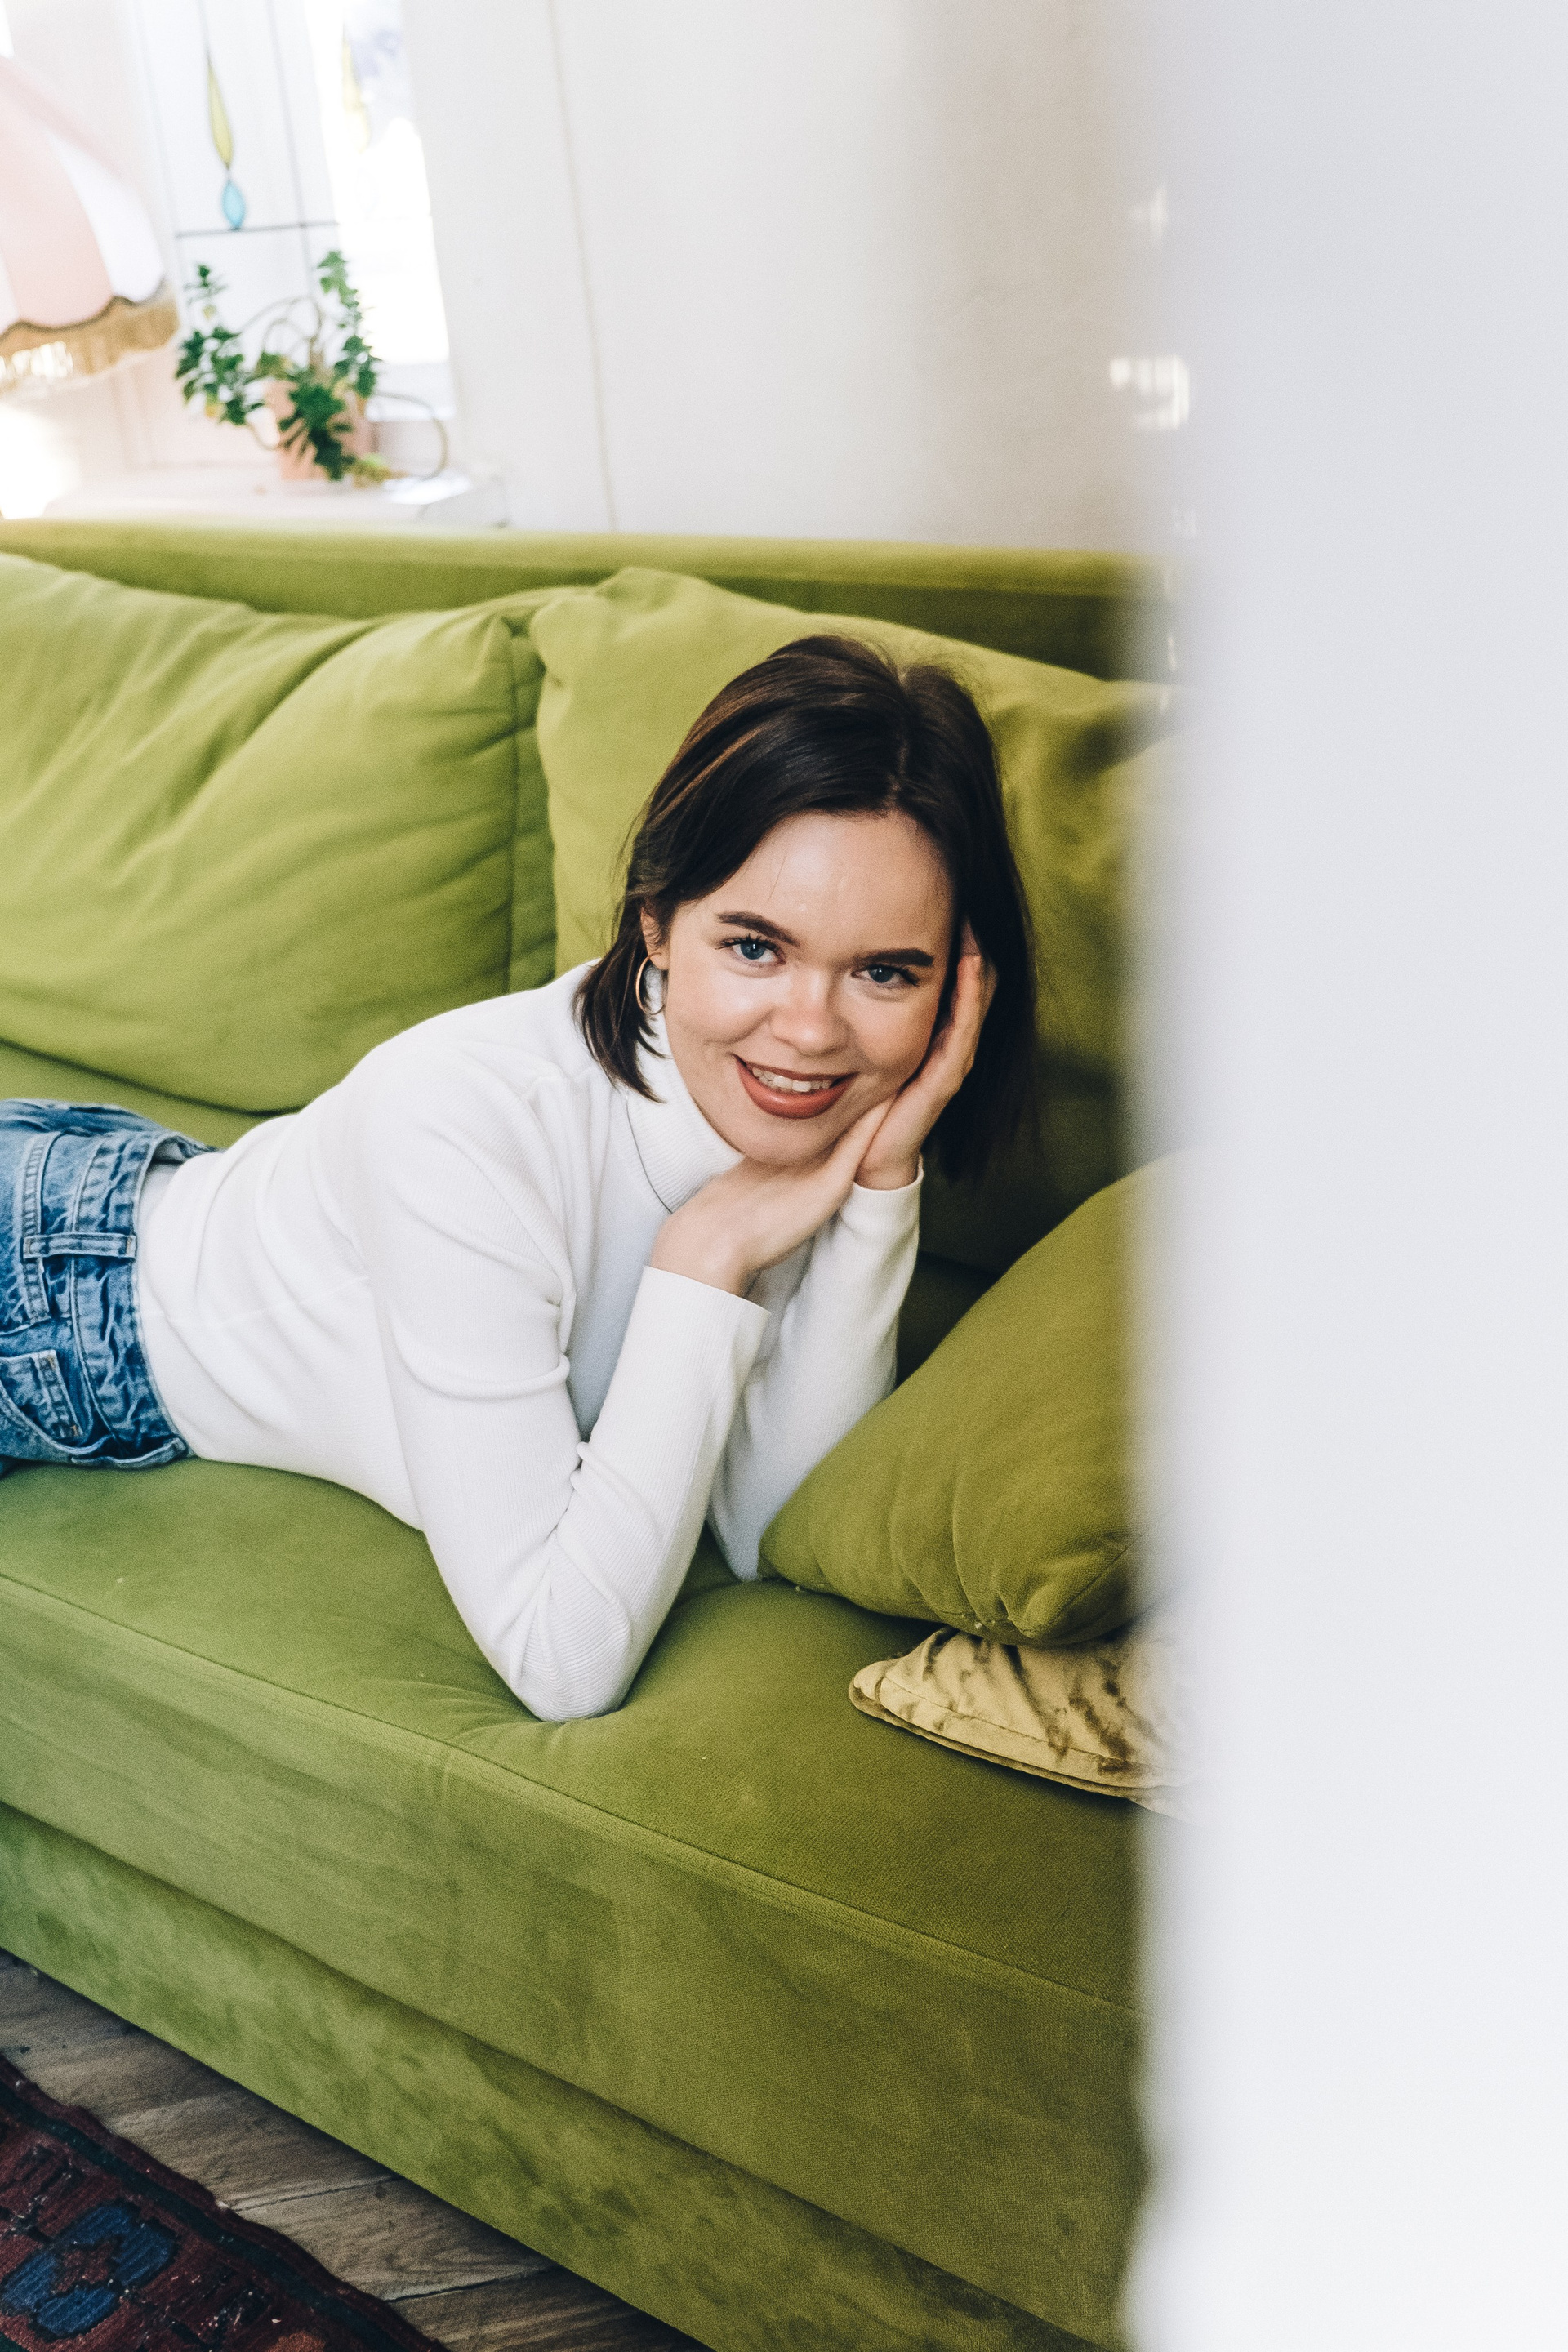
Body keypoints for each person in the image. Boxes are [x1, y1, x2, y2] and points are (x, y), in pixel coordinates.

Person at [0, 636, 1036, 1720]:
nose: (812, 1031)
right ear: (656, 922)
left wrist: (881, 1182)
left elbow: (765, 1527)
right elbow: (563, 1663)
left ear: (956, 992)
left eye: (884, 972)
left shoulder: (812, 1118)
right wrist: (701, 1253)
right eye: (754, 948)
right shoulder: (464, 1120)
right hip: (54, 1288)